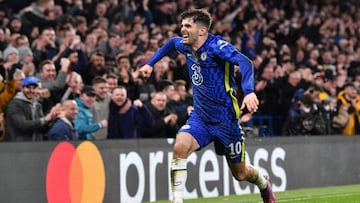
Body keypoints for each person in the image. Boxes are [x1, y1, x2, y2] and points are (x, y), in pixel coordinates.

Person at [139, 9, 276, 203]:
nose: (182, 29)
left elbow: (245, 62)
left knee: (241, 174)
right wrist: (150, 63)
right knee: (180, 145)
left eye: (188, 26)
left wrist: (249, 91)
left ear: (202, 30)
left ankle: (264, 183)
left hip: (226, 120)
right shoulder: (185, 45)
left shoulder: (217, 47)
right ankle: (176, 199)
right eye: (182, 25)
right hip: (201, 118)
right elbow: (170, 43)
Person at [5, 76, 60, 141]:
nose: (31, 90)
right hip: (18, 147)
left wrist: (51, 118)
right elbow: (23, 125)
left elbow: (41, 128)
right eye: (28, 87)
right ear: (22, 88)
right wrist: (44, 120)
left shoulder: (37, 105)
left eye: (34, 88)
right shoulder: (15, 104)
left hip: (35, 146)